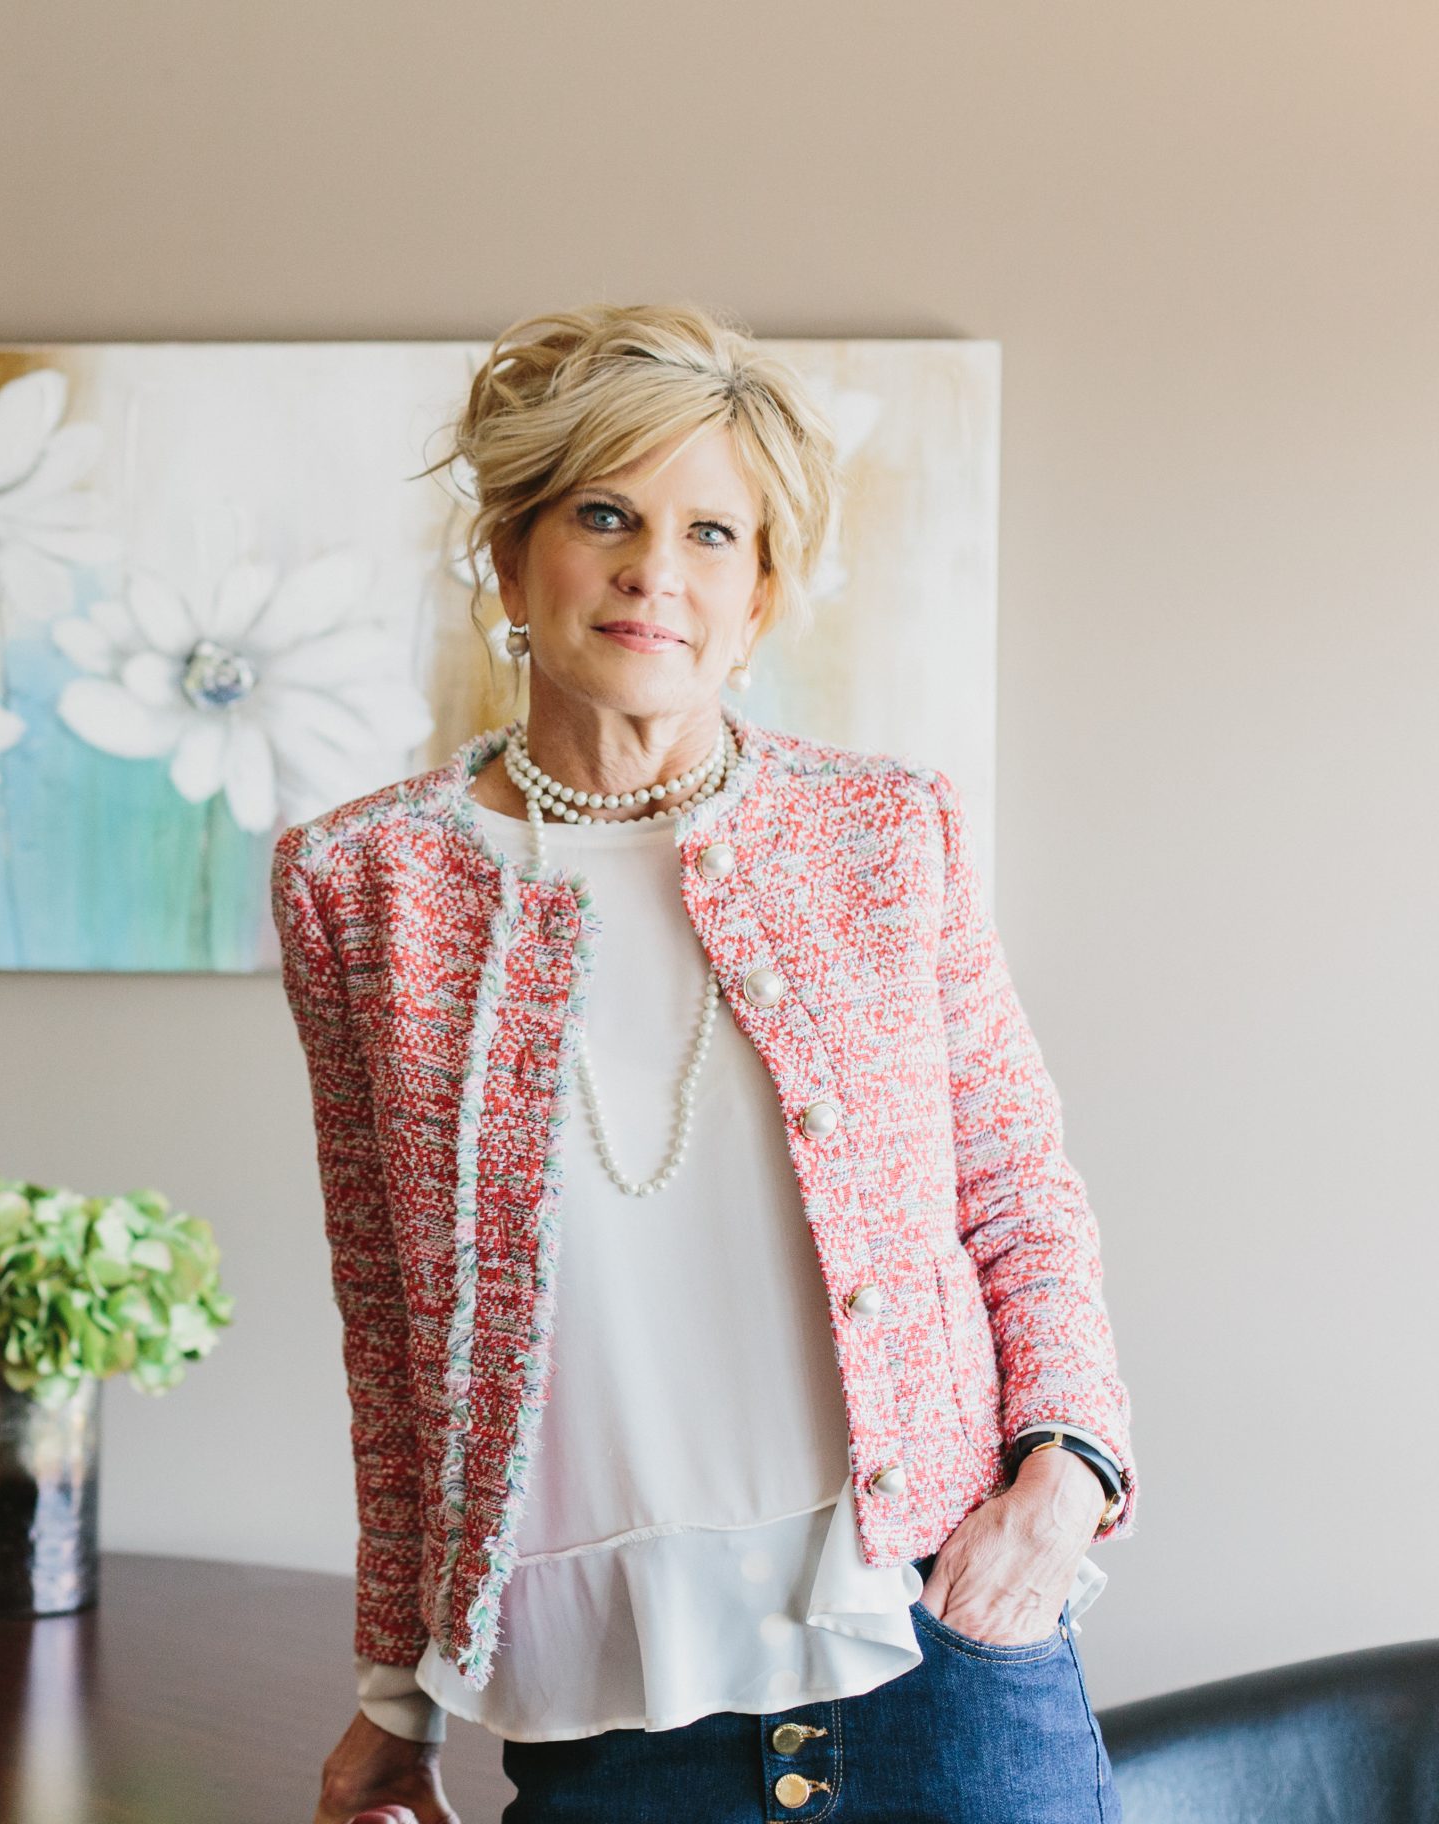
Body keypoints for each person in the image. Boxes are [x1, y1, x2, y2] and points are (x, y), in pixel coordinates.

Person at [270, 304, 1136, 1824]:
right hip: (610, 1706)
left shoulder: (887, 835)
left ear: (762, 592)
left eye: (711, 533)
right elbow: (393, 1329)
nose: (653, 568)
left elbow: (1015, 1193)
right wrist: (392, 1703)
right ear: (512, 554)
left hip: (937, 1650)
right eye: (604, 512)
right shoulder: (368, 886)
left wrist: (1065, 1482)